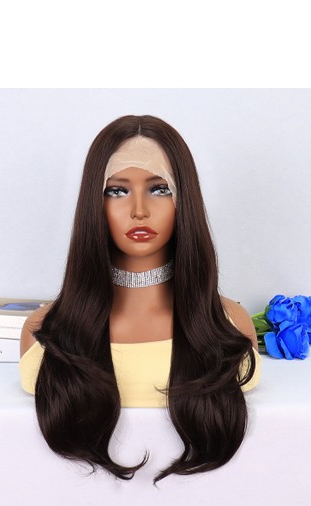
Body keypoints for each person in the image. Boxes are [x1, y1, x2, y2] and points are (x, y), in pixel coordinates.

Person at [18, 114, 261, 484]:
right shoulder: (44, 332)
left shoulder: (229, 324)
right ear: (94, 203)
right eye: (117, 191)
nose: (139, 210)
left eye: (159, 189)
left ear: (184, 200)